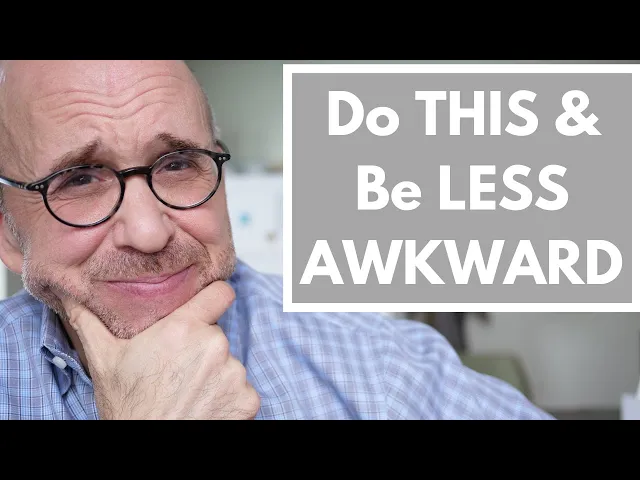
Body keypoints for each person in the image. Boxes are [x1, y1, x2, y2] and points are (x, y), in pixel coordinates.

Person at [0, 60, 553, 420]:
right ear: (8, 232)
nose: (149, 233)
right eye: (79, 180)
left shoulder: (384, 371)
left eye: (178, 164)